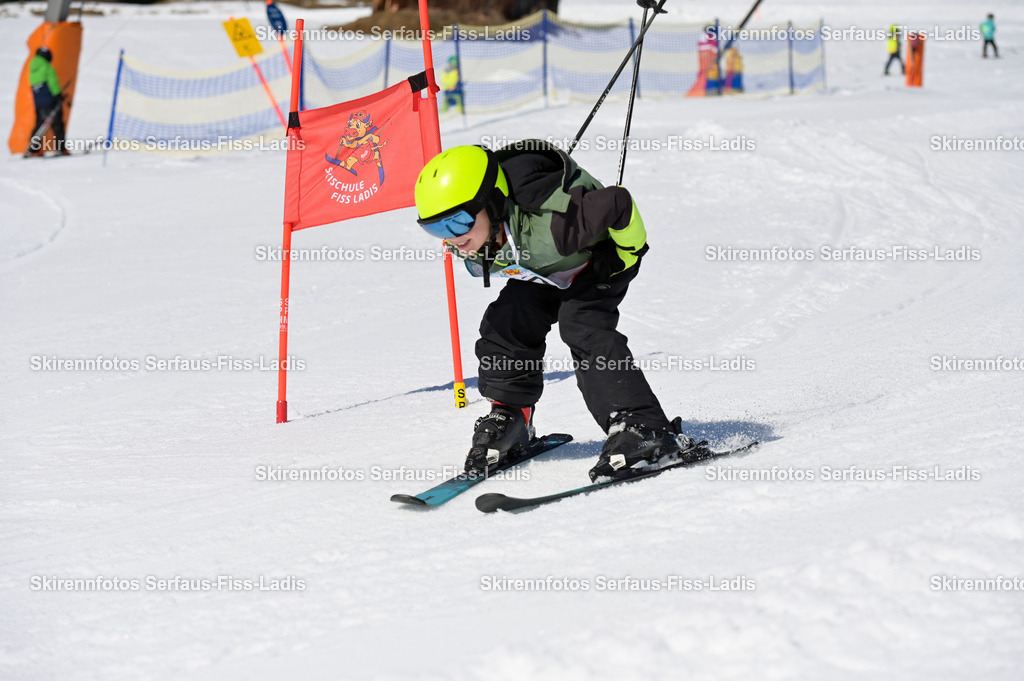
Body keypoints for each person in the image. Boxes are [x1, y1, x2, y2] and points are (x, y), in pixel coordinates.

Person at [414, 142, 696, 482]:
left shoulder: (556, 226)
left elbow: (618, 203)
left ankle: (642, 427)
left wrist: (627, 253)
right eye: (437, 229)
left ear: (492, 203)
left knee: (581, 326)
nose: (453, 239)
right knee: (507, 320)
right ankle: (511, 415)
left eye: (458, 222)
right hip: (545, 270)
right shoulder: (483, 232)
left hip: (596, 262)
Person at [27, 46, 68, 156]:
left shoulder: (32, 69)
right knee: (58, 124)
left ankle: (33, 150)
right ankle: (61, 148)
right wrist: (58, 95)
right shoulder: (47, 68)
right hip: (50, 102)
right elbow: (53, 83)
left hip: (38, 103)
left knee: (39, 125)